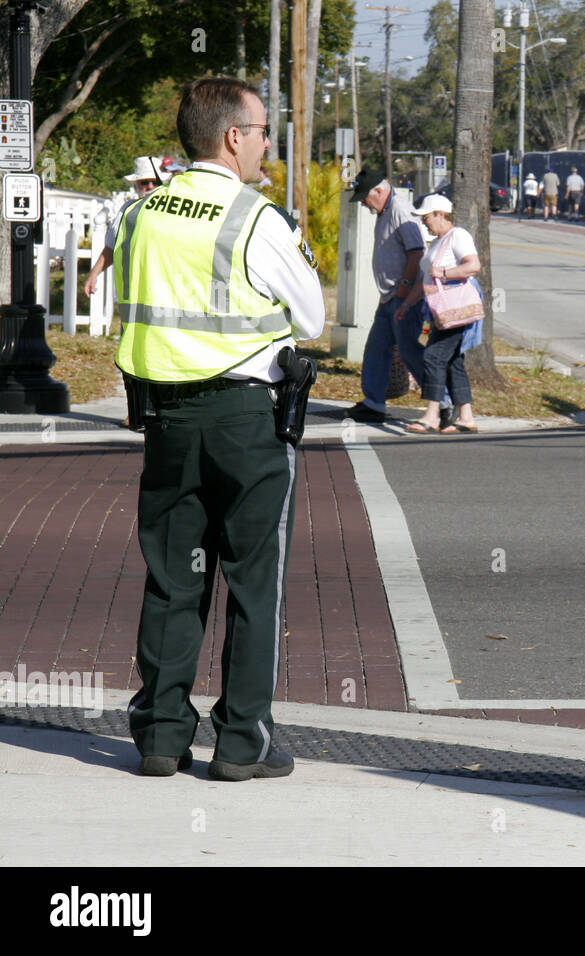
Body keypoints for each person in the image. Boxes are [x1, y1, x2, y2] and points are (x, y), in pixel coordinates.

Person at [115, 77, 324, 780]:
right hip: (242, 419)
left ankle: (160, 737)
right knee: (252, 580)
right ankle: (241, 743)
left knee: (174, 577)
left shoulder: (140, 213)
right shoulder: (254, 218)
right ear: (234, 137)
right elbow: (315, 318)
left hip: (165, 418)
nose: (268, 141)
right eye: (264, 130)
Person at [342, 169, 428, 424]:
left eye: (365, 198)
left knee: (409, 350)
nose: (364, 204)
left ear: (379, 191)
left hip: (403, 296)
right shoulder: (384, 210)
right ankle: (373, 404)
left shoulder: (400, 210)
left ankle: (442, 401)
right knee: (377, 349)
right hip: (389, 297)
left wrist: (404, 287)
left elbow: (417, 253)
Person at [398, 193, 483, 435]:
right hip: (442, 312)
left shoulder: (458, 236)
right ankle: (466, 417)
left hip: (455, 309)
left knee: (433, 357)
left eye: (427, 217)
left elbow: (473, 266)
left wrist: (444, 273)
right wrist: (407, 304)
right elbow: (424, 281)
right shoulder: (436, 242)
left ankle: (432, 415)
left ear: (441, 214)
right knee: (453, 361)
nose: (424, 221)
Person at [83, 156, 168, 296]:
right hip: (136, 289)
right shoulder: (127, 210)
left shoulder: (172, 210)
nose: (150, 187)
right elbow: (112, 247)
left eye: (155, 182)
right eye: (144, 182)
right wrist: (93, 274)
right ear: (135, 186)